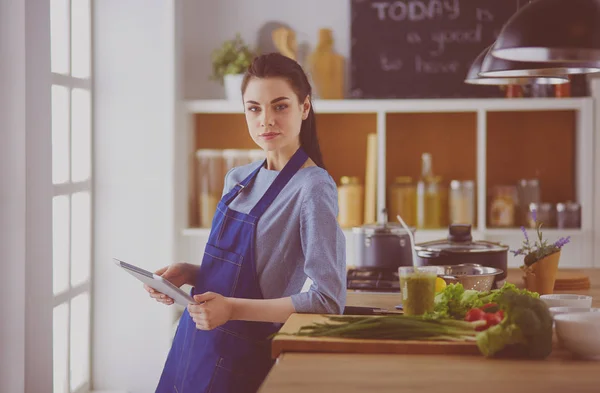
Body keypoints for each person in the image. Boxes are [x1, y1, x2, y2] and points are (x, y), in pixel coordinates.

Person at [146, 52, 347, 393]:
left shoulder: (312, 188)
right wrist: (189, 273)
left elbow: (328, 299)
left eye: (280, 106)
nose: (265, 120)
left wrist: (231, 309)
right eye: (254, 108)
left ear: (305, 108)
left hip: (242, 356)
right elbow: (242, 274)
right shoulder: (239, 178)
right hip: (192, 342)